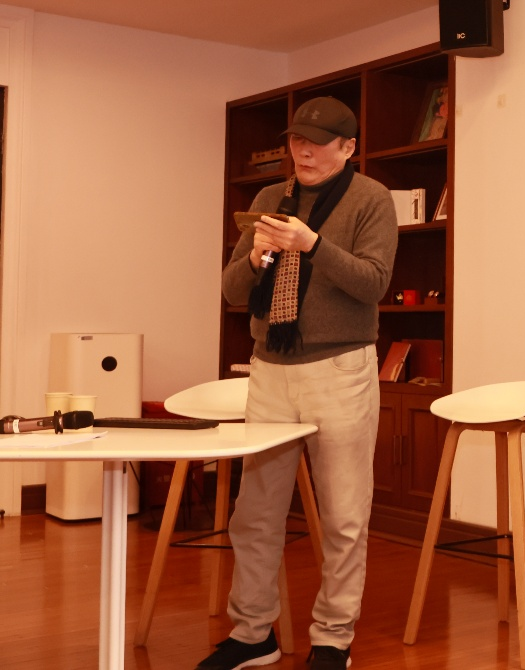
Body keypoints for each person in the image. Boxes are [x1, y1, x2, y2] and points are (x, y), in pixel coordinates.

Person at [208, 96, 397, 670]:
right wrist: (257, 256)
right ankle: (253, 633)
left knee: (343, 516)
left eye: (317, 142)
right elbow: (232, 291)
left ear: (349, 147)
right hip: (269, 368)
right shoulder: (269, 199)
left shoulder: (371, 198)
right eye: (296, 141)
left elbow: (374, 283)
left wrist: (311, 245)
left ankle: (333, 639)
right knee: (255, 513)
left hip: (340, 370)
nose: (304, 152)